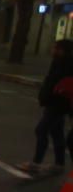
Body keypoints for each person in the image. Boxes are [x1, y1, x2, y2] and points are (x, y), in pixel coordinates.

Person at [17, 40, 73, 175]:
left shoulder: (67, 65)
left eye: (56, 48)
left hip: (58, 103)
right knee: (56, 132)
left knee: (41, 130)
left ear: (63, 50)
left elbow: (62, 85)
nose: (53, 50)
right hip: (53, 102)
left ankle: (36, 163)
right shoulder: (57, 62)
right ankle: (59, 163)